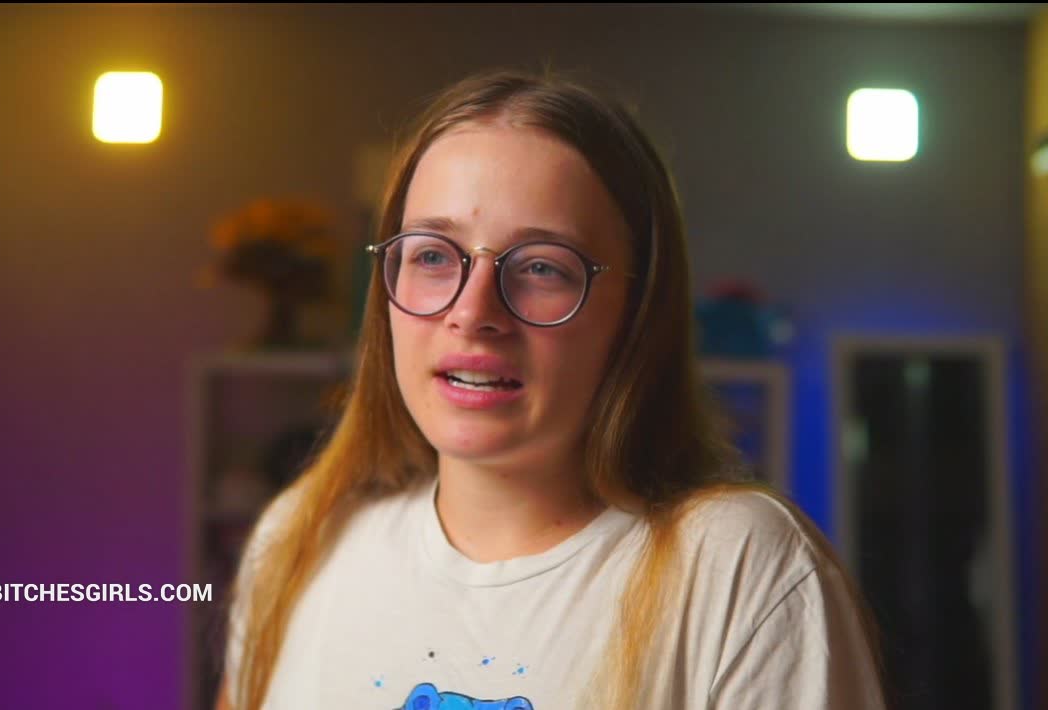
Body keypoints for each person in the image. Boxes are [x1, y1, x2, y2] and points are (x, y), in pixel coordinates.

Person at [217, 67, 887, 710]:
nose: (472, 312)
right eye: (432, 255)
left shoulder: (740, 567)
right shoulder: (299, 537)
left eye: (542, 267)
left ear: (638, 312)